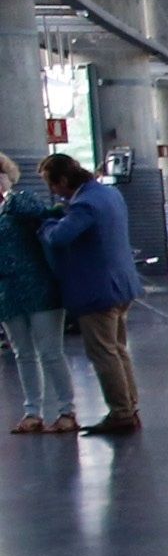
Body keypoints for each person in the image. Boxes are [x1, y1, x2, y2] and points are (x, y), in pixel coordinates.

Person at [37, 155, 141, 435]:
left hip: (97, 290)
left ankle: (120, 413)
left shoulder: (84, 204)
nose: (52, 191)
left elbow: (59, 237)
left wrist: (47, 223)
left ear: (62, 180)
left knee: (103, 352)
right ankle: (130, 405)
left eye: (52, 184)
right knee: (118, 349)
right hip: (122, 285)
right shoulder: (110, 193)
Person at [3, 154, 78, 434]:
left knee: (50, 352)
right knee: (23, 354)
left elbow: (48, 215)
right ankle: (32, 411)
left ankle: (66, 410)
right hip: (7, 294)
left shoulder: (19, 202)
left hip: (40, 288)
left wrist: (9, 195)